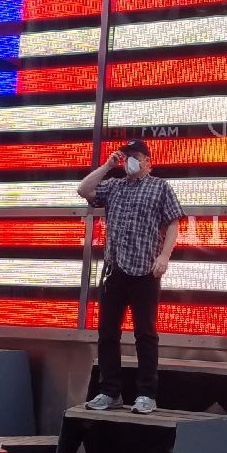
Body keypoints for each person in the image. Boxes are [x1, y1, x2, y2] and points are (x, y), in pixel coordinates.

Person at [77, 138, 184, 414]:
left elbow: (173, 223)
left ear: (148, 162)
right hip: (115, 269)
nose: (131, 161)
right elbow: (83, 189)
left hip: (145, 271)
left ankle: (147, 393)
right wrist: (108, 165)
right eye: (128, 156)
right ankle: (109, 391)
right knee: (107, 333)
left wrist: (164, 257)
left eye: (137, 156)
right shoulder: (114, 187)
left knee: (145, 333)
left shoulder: (160, 187)